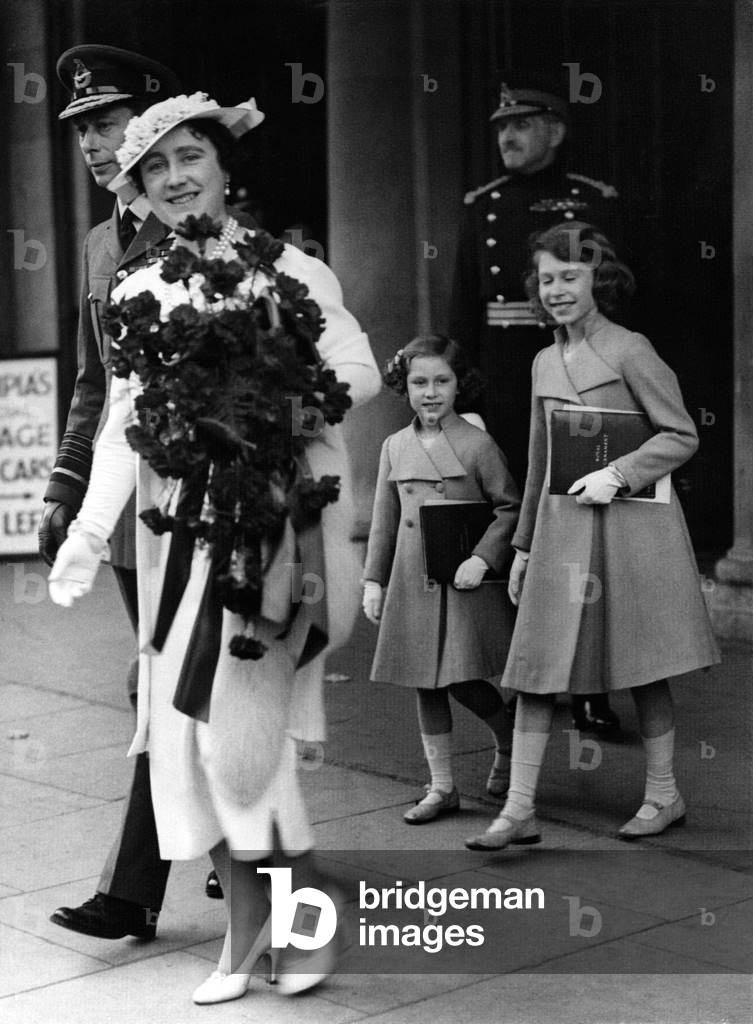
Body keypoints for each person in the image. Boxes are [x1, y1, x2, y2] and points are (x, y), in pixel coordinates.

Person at [48, 92, 381, 1003]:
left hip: (272, 532)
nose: (174, 177)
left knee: (248, 744)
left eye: (190, 156)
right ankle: (249, 934)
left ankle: (294, 926)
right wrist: (87, 532)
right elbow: (121, 425)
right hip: (180, 539)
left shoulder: (290, 271)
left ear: (225, 168)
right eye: (153, 167)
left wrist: (271, 404)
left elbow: (358, 367)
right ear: (138, 188)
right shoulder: (138, 289)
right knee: (190, 744)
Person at [463, 222, 720, 851]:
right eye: (546, 279)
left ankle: (663, 795)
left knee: (643, 664)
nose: (556, 290)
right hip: (560, 534)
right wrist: (522, 547)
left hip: (631, 531)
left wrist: (619, 473)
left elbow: (681, 434)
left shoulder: (631, 349)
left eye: (569, 277)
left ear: (598, 280)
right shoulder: (543, 360)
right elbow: (538, 461)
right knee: (536, 664)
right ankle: (518, 809)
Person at [41, 45, 186, 941]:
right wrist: (65, 480)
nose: (93, 144)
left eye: (107, 123)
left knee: (180, 681)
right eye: (82, 129)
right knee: (166, 682)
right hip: (127, 501)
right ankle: (219, 849)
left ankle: (139, 884)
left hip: (199, 493)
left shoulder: (200, 226)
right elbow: (94, 380)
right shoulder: (102, 243)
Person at [450, 82, 624, 737]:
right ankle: (533, 669)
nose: (508, 137)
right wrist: (465, 401)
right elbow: (463, 310)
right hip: (504, 382)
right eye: (502, 127)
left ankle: (590, 684)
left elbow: (620, 298)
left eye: (522, 124)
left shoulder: (592, 199)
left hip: (579, 377)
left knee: (583, 527)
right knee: (518, 524)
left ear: (555, 129)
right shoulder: (481, 205)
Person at [362, 335, 520, 823]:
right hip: (413, 583)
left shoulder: (478, 444)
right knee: (424, 684)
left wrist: (482, 558)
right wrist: (374, 581)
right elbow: (384, 521)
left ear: (458, 385)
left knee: (464, 680)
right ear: (404, 386)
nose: (430, 393)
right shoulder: (395, 445)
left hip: (460, 581)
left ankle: (509, 741)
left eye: (441, 381)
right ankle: (443, 786)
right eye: (419, 382)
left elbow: (510, 508)